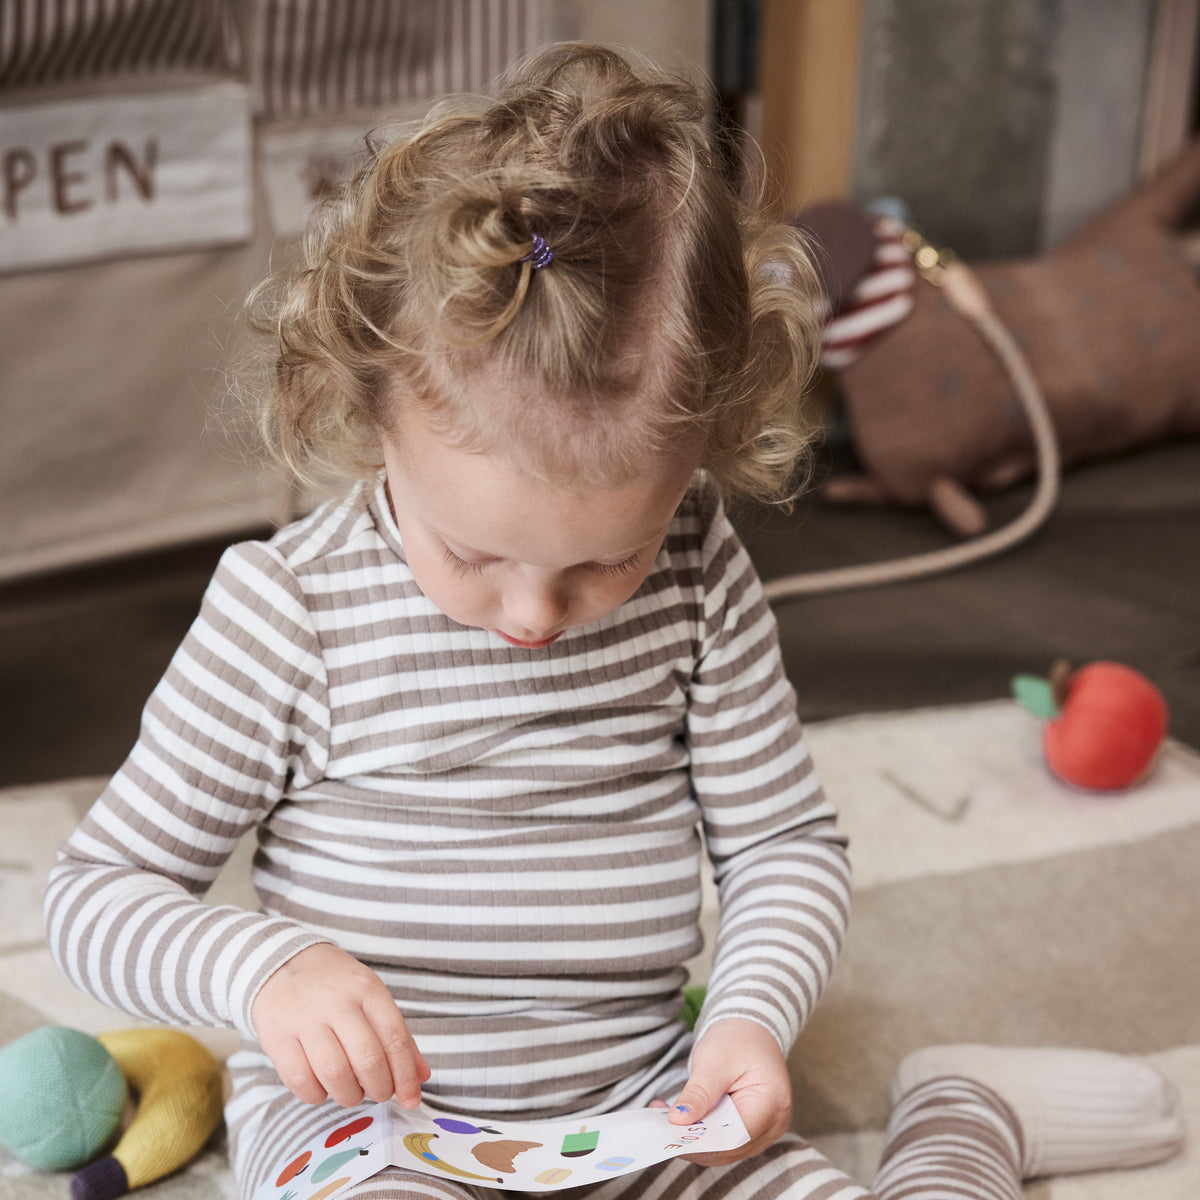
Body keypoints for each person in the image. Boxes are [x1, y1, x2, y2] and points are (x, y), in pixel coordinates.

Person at [46, 43, 1182, 1200]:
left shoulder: (697, 570)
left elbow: (783, 848)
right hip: (370, 1132)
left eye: (605, 560)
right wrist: (262, 969)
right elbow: (95, 896)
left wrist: (746, 1017)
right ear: (367, 405)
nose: (536, 615)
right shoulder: (285, 614)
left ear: (710, 444)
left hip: (646, 1107)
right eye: (474, 553)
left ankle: (960, 1121)